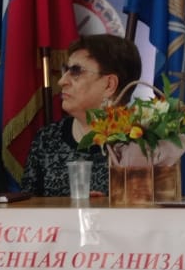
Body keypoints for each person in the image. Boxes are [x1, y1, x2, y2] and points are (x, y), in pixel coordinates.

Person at [20, 34, 142, 197]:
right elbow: (27, 207)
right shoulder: (47, 139)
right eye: (66, 71)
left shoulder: (145, 142)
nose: (61, 81)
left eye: (76, 71)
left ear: (109, 85)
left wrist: (107, 206)